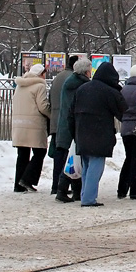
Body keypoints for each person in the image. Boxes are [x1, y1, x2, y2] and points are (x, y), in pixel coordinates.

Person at [69, 61, 127, 207]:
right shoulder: (109, 91)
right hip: (100, 133)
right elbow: (122, 111)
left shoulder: (82, 89)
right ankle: (88, 199)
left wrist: (74, 133)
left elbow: (70, 114)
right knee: (96, 166)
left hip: (81, 132)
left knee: (87, 165)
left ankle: (85, 195)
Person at [54, 58, 92, 203]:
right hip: (73, 126)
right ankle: (62, 190)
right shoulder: (79, 85)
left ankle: (76, 191)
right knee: (72, 158)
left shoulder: (72, 82)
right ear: (86, 71)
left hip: (69, 125)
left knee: (75, 158)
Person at [11, 64, 50, 192]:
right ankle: (27, 180)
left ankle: (18, 184)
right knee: (40, 152)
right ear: (41, 74)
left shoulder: (20, 85)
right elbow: (43, 106)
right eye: (44, 73)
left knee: (22, 154)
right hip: (34, 124)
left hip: (19, 124)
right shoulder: (40, 86)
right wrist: (52, 116)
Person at [117, 64, 136, 200]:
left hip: (125, 128)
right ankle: (134, 189)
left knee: (128, 157)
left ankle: (122, 189)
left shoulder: (124, 89)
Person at [48, 55, 78, 195]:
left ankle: (55, 184)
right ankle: (63, 185)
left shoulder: (58, 77)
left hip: (55, 120)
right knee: (67, 155)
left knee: (58, 154)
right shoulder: (73, 79)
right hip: (67, 121)